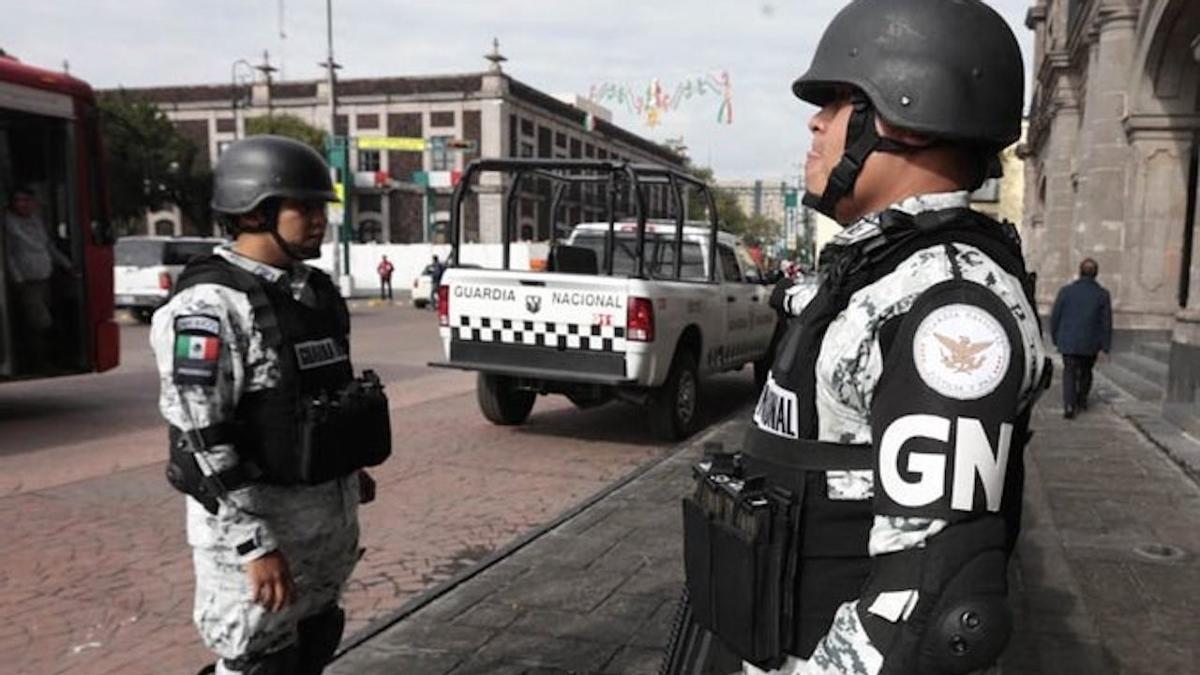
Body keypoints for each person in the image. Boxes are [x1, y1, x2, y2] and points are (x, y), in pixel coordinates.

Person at [668, 2, 1052, 674]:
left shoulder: (952, 309)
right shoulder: (877, 271)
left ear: (906, 110)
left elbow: (934, 597)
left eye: (840, 99)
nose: (815, 122)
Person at [150, 135, 391, 675]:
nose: (318, 220)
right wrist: (254, 547)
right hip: (257, 537)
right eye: (302, 207)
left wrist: (348, 468)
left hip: (322, 527)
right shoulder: (208, 309)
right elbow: (199, 436)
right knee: (259, 663)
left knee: (315, 641)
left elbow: (326, 398)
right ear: (255, 211)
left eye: (320, 207)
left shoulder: (314, 293)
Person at [3, 185, 73, 371]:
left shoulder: (36, 221)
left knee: (45, 317)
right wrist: (17, 278)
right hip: (26, 280)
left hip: (44, 276)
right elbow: (8, 254)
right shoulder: (9, 224)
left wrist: (67, 264)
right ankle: (38, 362)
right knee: (40, 321)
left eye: (27, 200)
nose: (23, 205)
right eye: (19, 201)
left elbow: (47, 246)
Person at [1050, 258, 1112, 418]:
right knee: (1086, 372)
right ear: (1096, 274)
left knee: (1069, 373)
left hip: (1068, 340)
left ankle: (1069, 406)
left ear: (1080, 271)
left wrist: (1055, 336)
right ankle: (1081, 398)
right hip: (1090, 343)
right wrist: (1105, 346)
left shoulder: (1066, 291)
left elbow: (1055, 316)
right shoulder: (1102, 295)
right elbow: (1106, 322)